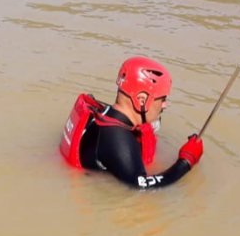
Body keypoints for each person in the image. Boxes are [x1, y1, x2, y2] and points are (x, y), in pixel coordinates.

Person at [59, 56, 204, 189]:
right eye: (162, 99)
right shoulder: (116, 138)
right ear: (142, 100)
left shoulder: (107, 114)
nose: (165, 105)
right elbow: (140, 185)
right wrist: (186, 161)